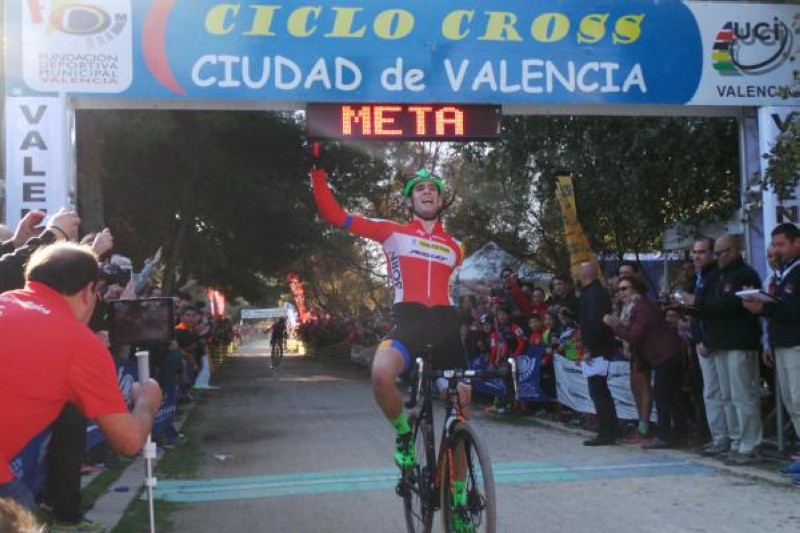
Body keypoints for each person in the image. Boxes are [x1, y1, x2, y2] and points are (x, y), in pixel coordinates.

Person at [312, 164, 473, 530]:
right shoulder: (393, 233)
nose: (428, 192)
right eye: (420, 189)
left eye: (433, 188)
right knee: (381, 375)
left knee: (461, 409)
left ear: (441, 198)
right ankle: (403, 432)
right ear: (410, 200)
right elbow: (333, 214)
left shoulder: (456, 247)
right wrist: (318, 169)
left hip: (446, 331)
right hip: (409, 326)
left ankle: (459, 498)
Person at [0, 243, 163, 511]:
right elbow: (129, 441)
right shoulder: (79, 343)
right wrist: (147, 401)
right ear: (90, 291)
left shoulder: (7, 300)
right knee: (18, 510)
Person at [683, 234, 763, 465]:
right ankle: (735, 439)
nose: (717, 257)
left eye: (720, 253)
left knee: (743, 396)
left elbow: (732, 305)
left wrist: (697, 302)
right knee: (727, 397)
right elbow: (711, 308)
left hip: (739, 342)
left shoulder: (746, 274)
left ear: (734, 250)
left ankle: (750, 444)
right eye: (715, 253)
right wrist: (691, 306)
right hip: (719, 342)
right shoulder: (718, 275)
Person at [742, 223, 800, 477]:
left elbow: (794, 309)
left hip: (796, 343)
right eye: (774, 245)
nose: (776, 250)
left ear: (796, 242)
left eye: (781, 244)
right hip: (782, 343)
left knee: (799, 399)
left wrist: (764, 308)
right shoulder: (782, 272)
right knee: (791, 402)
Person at [604, 276, 686, 448]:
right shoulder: (630, 307)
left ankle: (666, 435)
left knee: (663, 394)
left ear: (636, 289)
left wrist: (616, 325)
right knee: (672, 396)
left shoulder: (641, 307)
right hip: (661, 355)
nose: (621, 292)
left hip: (666, 353)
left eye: (625, 288)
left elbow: (634, 336)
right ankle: (679, 433)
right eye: (619, 289)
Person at [578, 262, 620, 446]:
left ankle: (607, 432)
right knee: (600, 390)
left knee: (598, 390)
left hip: (597, 349)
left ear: (585, 274)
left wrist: (588, 347)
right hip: (600, 347)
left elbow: (594, 323)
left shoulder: (593, 294)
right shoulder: (595, 292)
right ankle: (611, 428)